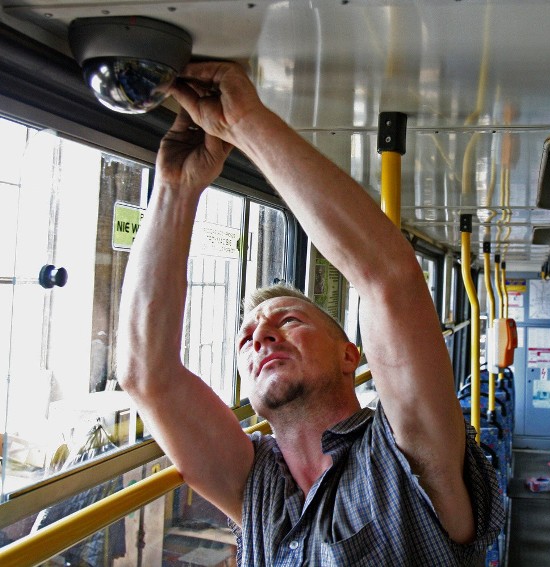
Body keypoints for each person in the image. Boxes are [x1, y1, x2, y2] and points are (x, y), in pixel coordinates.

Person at [116, 61, 504, 565]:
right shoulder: (256, 491)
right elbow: (146, 375)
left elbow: (388, 280)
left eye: (289, 321)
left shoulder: (407, 453)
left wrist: (246, 122)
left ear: (350, 355)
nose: (260, 338)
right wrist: (175, 187)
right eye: (246, 338)